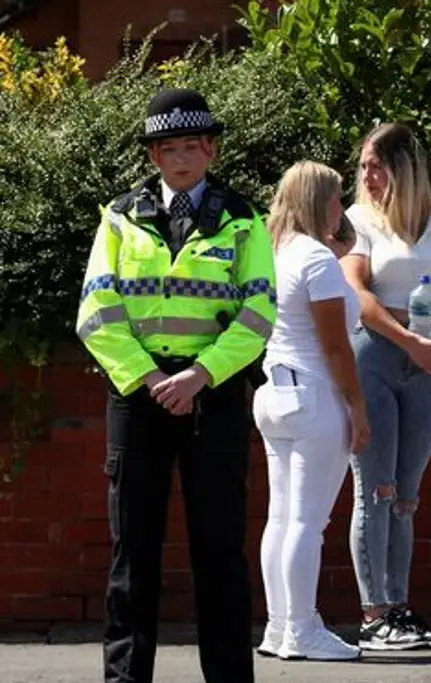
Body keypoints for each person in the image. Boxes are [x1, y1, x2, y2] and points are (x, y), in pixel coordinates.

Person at [75, 88, 277, 683]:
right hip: (138, 397)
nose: (180, 158)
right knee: (131, 556)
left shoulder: (243, 219)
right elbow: (96, 310)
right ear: (153, 156)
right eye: (167, 148)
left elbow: (259, 312)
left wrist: (199, 374)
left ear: (210, 149)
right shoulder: (119, 215)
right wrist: (149, 377)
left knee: (219, 552)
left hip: (210, 396)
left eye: (191, 145)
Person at [340, 122, 431, 650]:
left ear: (406, 168)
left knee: (407, 494)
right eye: (364, 166)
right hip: (375, 353)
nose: (368, 176)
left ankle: (398, 604)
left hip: (429, 363)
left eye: (378, 165)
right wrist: (408, 341)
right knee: (375, 488)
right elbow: (357, 294)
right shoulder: (358, 221)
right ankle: (374, 613)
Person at [254, 161, 370, 661]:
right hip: (315, 394)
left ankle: (280, 626)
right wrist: (358, 407)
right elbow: (336, 347)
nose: (341, 208)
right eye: (337, 198)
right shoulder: (316, 261)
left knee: (281, 518)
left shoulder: (272, 251)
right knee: (306, 522)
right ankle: (302, 628)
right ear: (320, 201)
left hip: (275, 392)